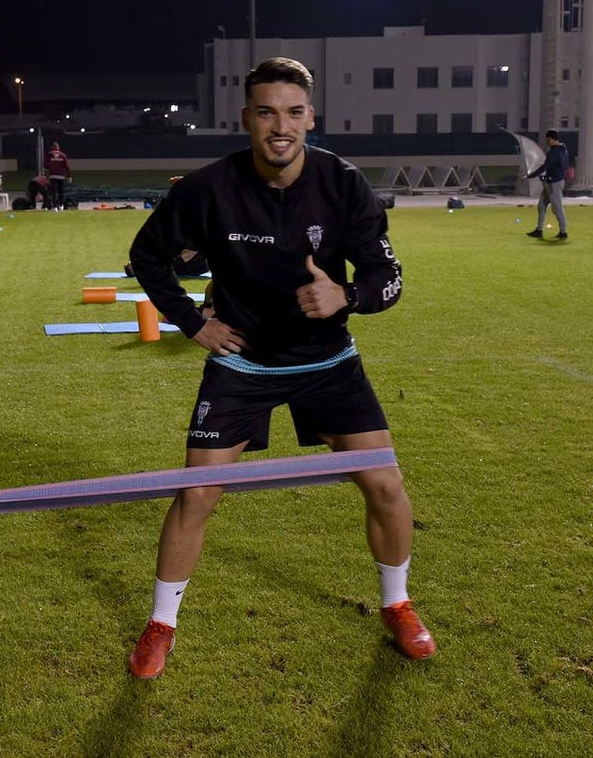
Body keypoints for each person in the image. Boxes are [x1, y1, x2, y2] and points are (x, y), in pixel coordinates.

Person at [125, 56, 435, 680]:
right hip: (244, 366)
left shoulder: (344, 185)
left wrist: (346, 297)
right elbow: (147, 256)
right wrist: (193, 324)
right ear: (247, 119)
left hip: (327, 363)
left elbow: (389, 277)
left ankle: (397, 604)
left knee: (386, 487)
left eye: (293, 113)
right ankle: (162, 624)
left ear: (310, 118)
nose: (280, 126)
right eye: (267, 112)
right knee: (197, 495)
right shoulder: (207, 189)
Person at [526, 129, 569, 240]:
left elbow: (546, 166)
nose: (547, 142)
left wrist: (531, 175)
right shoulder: (563, 150)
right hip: (551, 182)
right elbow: (562, 167)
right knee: (541, 205)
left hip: (554, 183)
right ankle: (539, 230)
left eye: (548, 140)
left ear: (551, 139)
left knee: (557, 208)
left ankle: (563, 232)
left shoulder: (555, 151)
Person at [43, 141, 72, 211]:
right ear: (58, 147)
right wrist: (69, 176)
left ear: (52, 147)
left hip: (52, 175)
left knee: (53, 192)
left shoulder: (50, 154)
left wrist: (47, 173)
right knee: (60, 191)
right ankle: (61, 206)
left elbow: (45, 165)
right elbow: (67, 166)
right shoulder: (63, 155)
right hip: (61, 176)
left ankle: (55, 207)